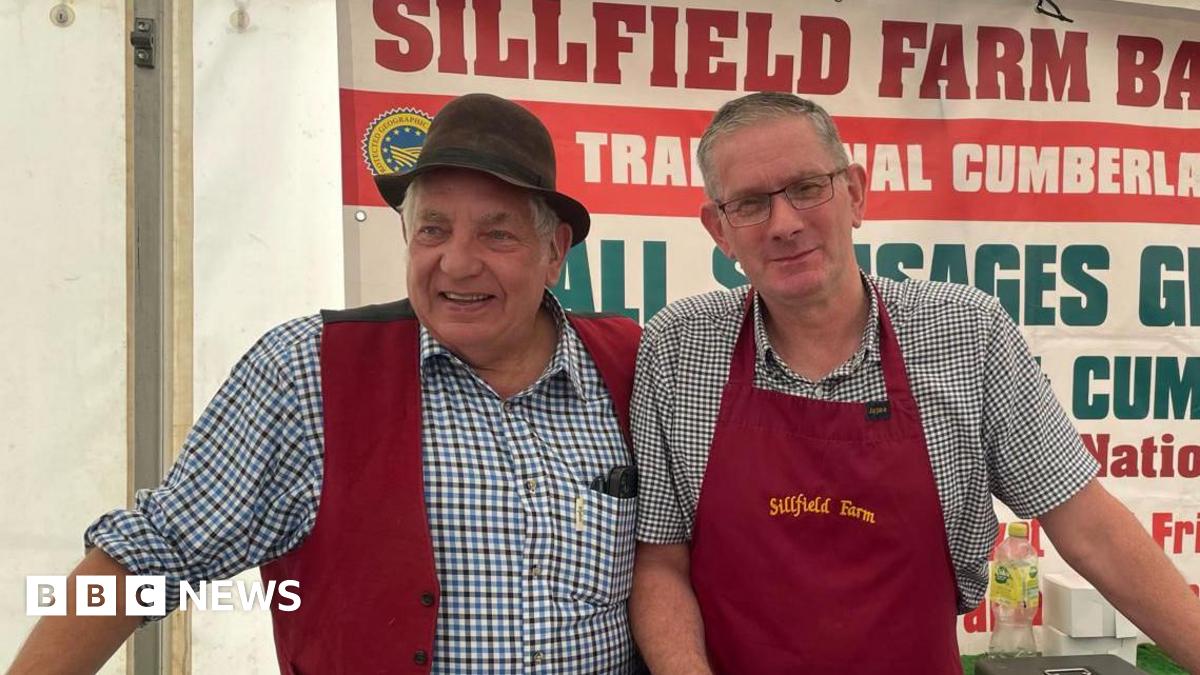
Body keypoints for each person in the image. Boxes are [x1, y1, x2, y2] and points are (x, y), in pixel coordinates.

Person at [11, 93, 642, 674]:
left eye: (496, 234)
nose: (456, 262)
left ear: (554, 251)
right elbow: (151, 554)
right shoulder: (306, 370)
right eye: (433, 229)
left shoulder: (630, 365)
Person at [628, 91, 1200, 674]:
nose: (785, 224)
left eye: (807, 187)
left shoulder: (967, 333)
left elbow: (1089, 527)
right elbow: (660, 561)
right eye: (750, 204)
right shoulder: (678, 348)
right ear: (719, 230)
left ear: (855, 193)